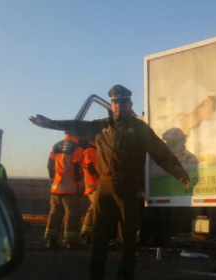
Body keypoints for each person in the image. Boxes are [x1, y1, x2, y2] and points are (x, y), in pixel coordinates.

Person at [30, 84, 190, 280]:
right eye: (115, 102)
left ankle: (125, 276)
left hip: (129, 189)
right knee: (99, 237)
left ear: (130, 104)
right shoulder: (100, 127)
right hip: (104, 188)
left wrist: (180, 174)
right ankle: (96, 276)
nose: (118, 106)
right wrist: (48, 123)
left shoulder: (140, 129)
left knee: (129, 240)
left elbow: (160, 152)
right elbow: (74, 125)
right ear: (111, 105)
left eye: (123, 102)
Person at [45, 133, 84, 249]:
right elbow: (76, 167)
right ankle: (70, 242)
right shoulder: (77, 147)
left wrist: (53, 179)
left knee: (55, 213)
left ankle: (51, 241)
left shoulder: (56, 146)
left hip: (56, 187)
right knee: (72, 215)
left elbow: (49, 165)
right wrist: (80, 184)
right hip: (70, 189)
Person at [80, 141, 98, 244]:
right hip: (94, 187)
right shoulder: (90, 150)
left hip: (94, 187)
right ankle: (87, 234)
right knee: (101, 209)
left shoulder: (92, 150)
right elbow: (90, 167)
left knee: (92, 209)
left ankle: (86, 234)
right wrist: (100, 179)